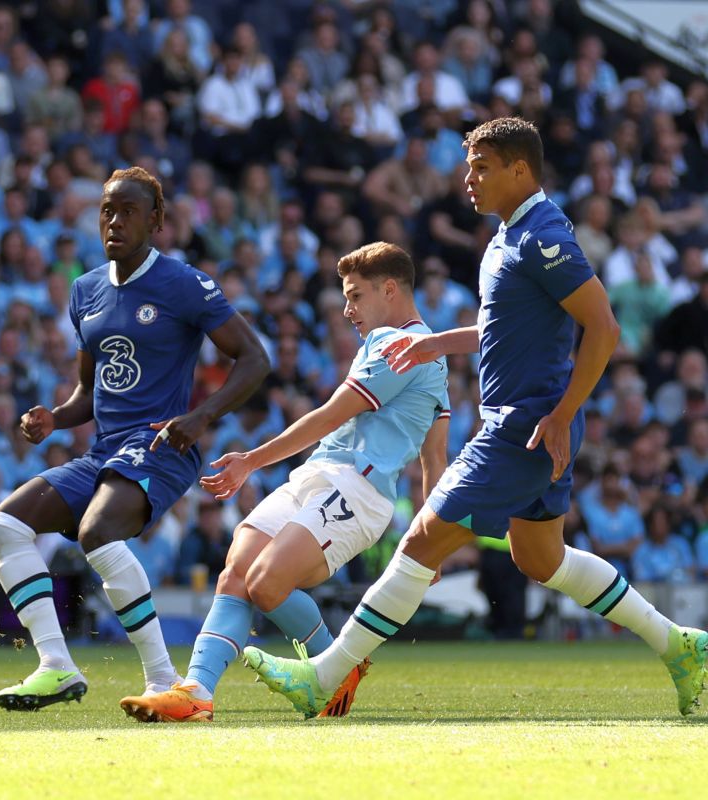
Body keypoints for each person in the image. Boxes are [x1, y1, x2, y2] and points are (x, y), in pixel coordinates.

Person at [245, 117, 708, 718]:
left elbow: (605, 326)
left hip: (525, 425)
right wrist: (438, 343)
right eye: (469, 167)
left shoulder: (542, 236)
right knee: (540, 559)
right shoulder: (505, 239)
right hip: (530, 422)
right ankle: (682, 645)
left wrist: (565, 413)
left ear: (521, 169)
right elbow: (503, 326)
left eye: (482, 167)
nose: (469, 179)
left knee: (421, 540)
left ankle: (324, 676)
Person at [121, 242, 449, 723]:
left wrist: (251, 460)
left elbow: (331, 417)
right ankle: (196, 692)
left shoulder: (402, 348)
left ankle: (336, 670)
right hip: (321, 473)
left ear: (391, 290)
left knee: (266, 584)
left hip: (358, 490)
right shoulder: (419, 353)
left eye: (356, 296)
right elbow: (434, 460)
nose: (347, 308)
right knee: (237, 569)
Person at [0, 166, 269, 710]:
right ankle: (56, 666)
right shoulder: (85, 290)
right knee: (3, 526)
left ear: (156, 221)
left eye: (129, 211)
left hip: (162, 445)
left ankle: (165, 682)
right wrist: (53, 419)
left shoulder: (184, 284)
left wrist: (202, 415)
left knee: (98, 532)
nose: (115, 221)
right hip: (106, 451)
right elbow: (88, 393)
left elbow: (255, 359)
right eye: (107, 211)